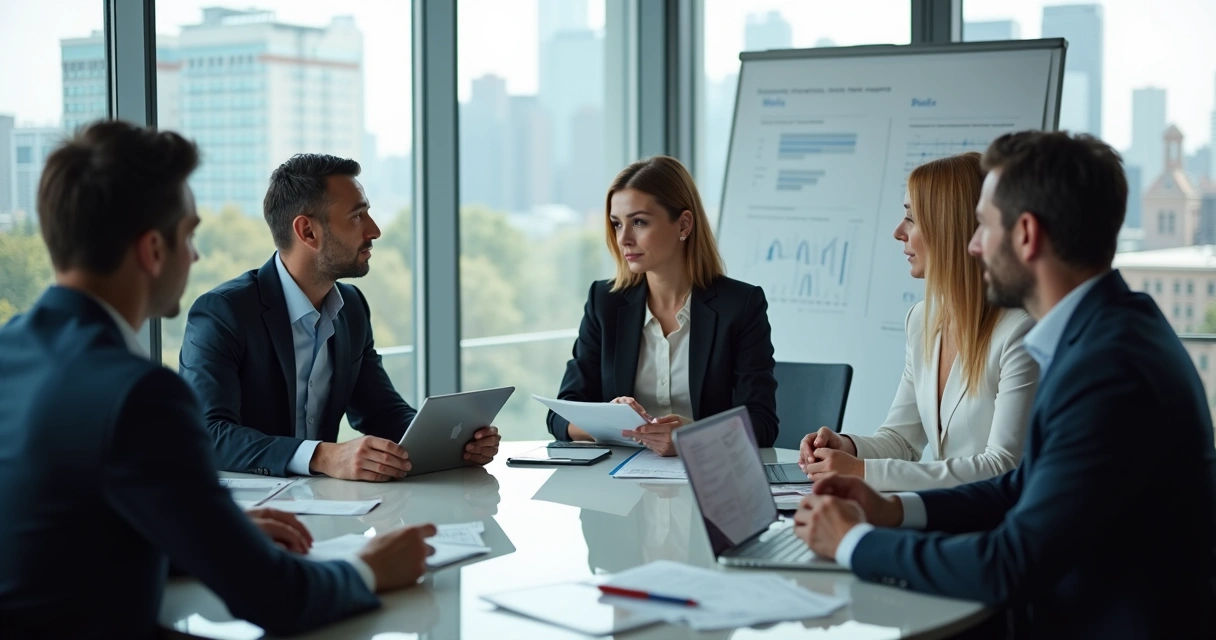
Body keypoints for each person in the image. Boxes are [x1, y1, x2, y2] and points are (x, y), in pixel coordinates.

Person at [0, 121, 436, 639]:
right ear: (153, 250)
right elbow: (276, 599)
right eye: (189, 236)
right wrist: (371, 568)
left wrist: (198, 533)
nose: (196, 256)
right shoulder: (139, 393)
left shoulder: (11, 352)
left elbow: (54, 540)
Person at [794, 131, 1216, 638]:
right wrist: (890, 508)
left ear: (1026, 236)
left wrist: (853, 542)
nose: (972, 245)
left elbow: (1009, 563)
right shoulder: (1108, 331)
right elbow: (1022, 483)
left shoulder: (1106, 369)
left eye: (984, 227)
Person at [180, 154, 500, 479]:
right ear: (307, 232)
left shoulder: (352, 307)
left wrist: (455, 441)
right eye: (357, 216)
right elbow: (209, 433)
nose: (374, 230)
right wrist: (323, 456)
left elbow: (381, 412)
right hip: (247, 512)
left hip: (325, 505)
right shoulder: (223, 312)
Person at [798, 153, 1037, 491]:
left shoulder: (1020, 331)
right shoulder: (922, 319)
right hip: (944, 514)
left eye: (911, 218)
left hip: (998, 525)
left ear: (949, 228)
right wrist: (847, 447)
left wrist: (862, 472)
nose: (899, 232)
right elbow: (902, 439)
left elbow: (1001, 466)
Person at [547, 155, 779, 453]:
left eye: (639, 222)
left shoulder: (741, 305)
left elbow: (763, 425)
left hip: (709, 477)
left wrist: (692, 436)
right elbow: (560, 416)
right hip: (620, 484)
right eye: (617, 224)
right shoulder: (604, 302)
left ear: (683, 224)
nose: (624, 239)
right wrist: (611, 419)